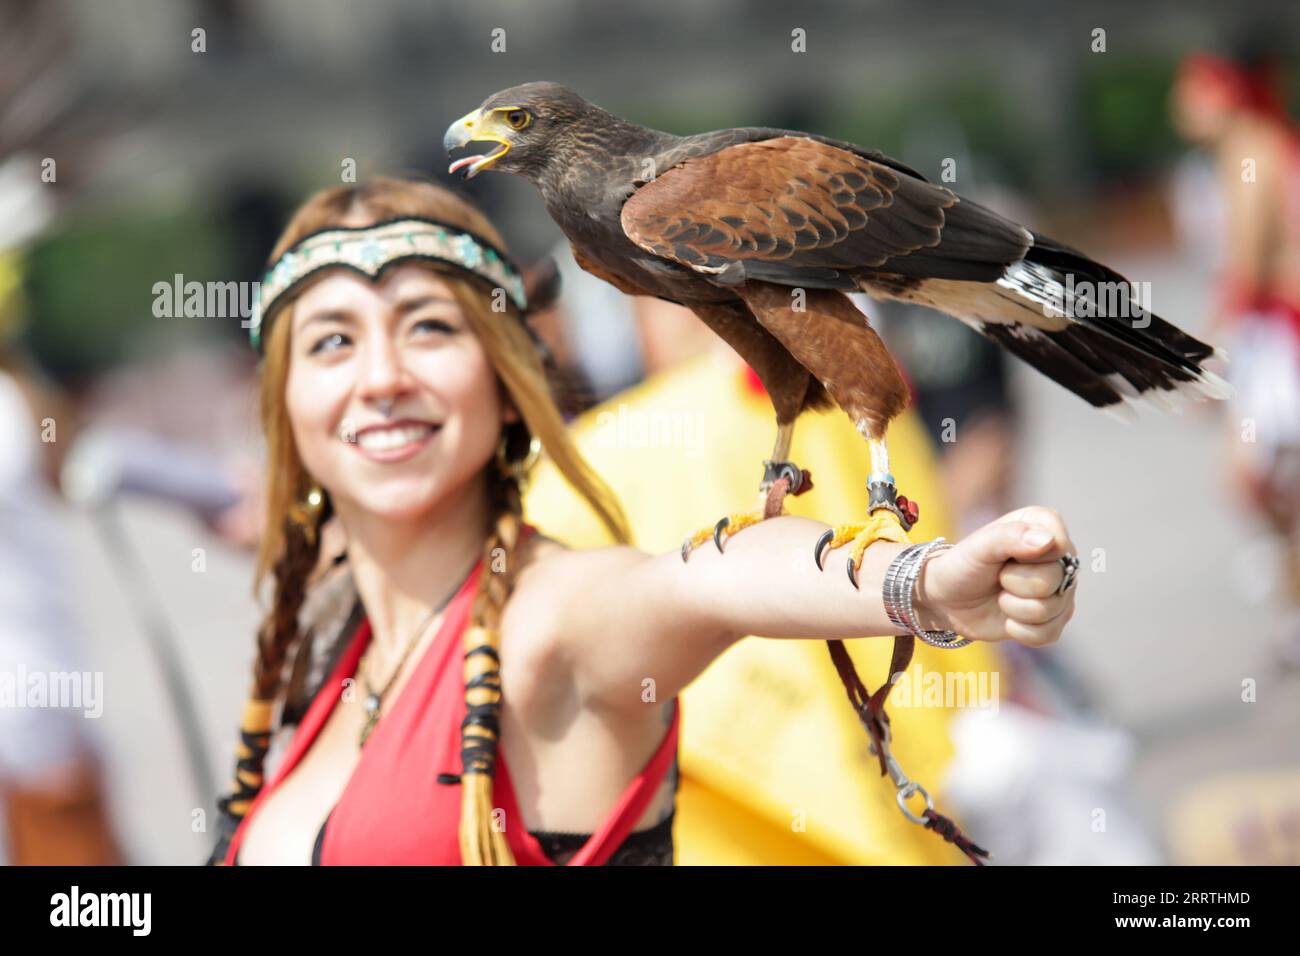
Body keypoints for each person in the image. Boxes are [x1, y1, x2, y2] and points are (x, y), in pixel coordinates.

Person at [207, 176, 1078, 866]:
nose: (382, 375)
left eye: (429, 327)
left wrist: (917, 582)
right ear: (284, 406)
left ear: (509, 383)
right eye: (331, 341)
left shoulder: (552, 622)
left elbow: (712, 578)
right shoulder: (327, 646)